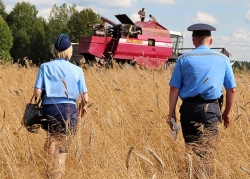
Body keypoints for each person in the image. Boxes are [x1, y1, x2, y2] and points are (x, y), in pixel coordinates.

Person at [167, 23, 236, 178]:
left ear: (193, 41)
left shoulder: (183, 59)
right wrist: (227, 113)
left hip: (188, 110)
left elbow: (174, 89)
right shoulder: (223, 59)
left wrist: (171, 113)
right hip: (211, 110)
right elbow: (232, 89)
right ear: (210, 41)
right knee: (207, 153)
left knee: (191, 151)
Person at [34, 33, 89, 179]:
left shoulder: (45, 67)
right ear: (69, 50)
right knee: (63, 147)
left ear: (55, 50)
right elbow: (85, 98)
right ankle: (56, 176)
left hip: (49, 108)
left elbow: (37, 93)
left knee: (51, 138)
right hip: (69, 111)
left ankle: (48, 173)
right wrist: (82, 106)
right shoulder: (77, 70)